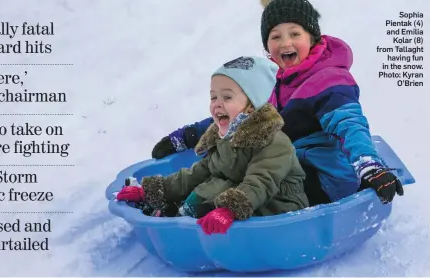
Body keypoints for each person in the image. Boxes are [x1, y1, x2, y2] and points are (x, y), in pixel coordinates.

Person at [150, 0, 403, 206]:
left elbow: (349, 123)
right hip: (287, 166)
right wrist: (187, 135)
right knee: (226, 164)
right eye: (276, 36)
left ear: (312, 38)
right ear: (267, 46)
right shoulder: (275, 82)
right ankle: (178, 200)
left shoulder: (329, 79)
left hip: (324, 177)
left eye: (295, 33)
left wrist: (369, 166)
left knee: (242, 182)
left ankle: (197, 209)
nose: (285, 43)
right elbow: (238, 118)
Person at [117, 56, 309, 235]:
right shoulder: (225, 136)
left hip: (279, 207)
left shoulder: (274, 141)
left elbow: (261, 181)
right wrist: (157, 190)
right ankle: (176, 211)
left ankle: (186, 217)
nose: (217, 104)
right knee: (210, 183)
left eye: (226, 97)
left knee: (219, 189)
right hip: (243, 197)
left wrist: (229, 209)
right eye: (213, 97)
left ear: (252, 106)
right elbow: (199, 172)